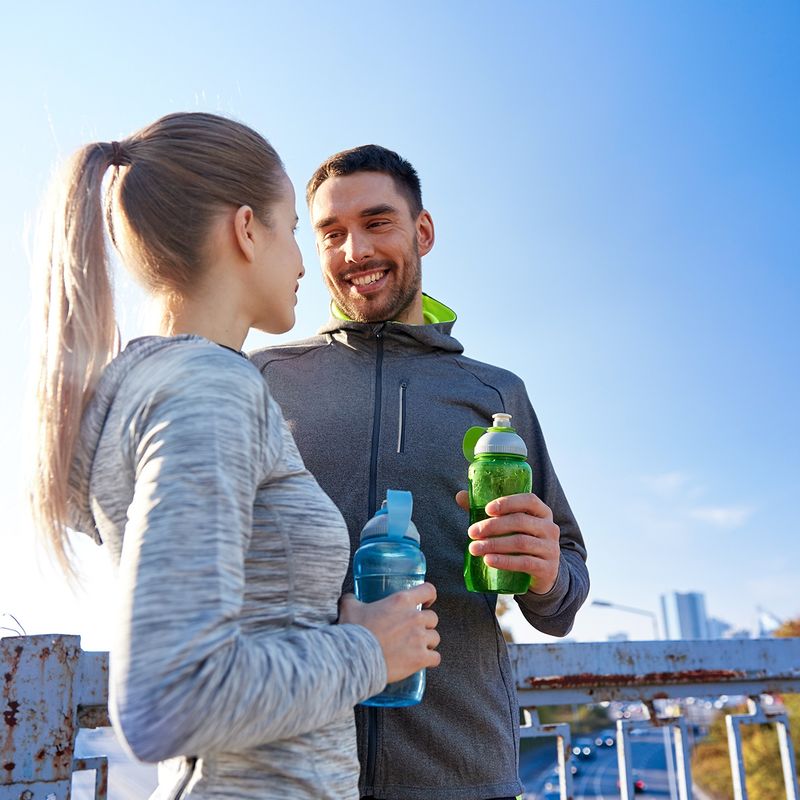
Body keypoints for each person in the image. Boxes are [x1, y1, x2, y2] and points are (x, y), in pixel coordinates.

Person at [28, 115, 440, 800]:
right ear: (246, 229)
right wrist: (370, 651)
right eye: (289, 230)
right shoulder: (208, 388)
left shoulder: (154, 384)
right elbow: (170, 699)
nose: (307, 261)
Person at [250, 144, 590, 800]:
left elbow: (564, 595)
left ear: (422, 232)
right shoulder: (264, 379)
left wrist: (547, 573)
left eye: (378, 223)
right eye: (331, 234)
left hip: (463, 777)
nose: (354, 251)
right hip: (293, 773)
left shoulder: (496, 395)